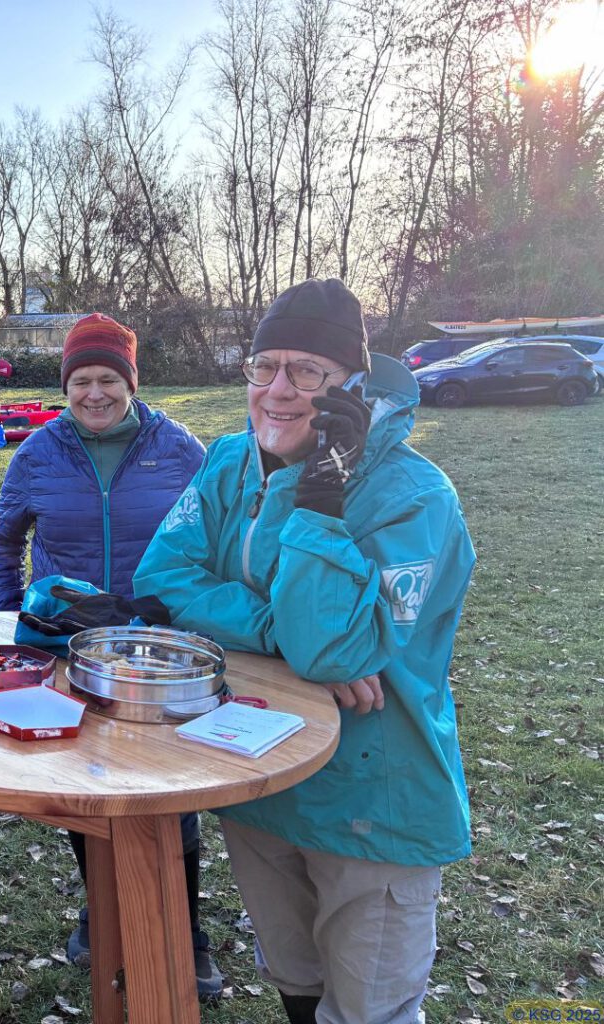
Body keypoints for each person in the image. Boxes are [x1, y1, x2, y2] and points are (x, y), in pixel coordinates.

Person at [134, 278, 475, 1024]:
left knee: (367, 1011)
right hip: (258, 777)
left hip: (372, 800)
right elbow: (162, 574)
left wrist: (320, 494)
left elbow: (330, 647)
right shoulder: (228, 460)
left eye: (306, 372)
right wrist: (272, 632)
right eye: (264, 366)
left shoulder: (412, 495)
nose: (278, 390)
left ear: (350, 384)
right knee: (294, 980)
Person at [0, 312, 221, 998]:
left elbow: (214, 537)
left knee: (170, 796)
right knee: (87, 784)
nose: (93, 393)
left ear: (130, 382)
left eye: (107, 379)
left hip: (158, 649)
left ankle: (186, 933)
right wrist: (14, 614)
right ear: (66, 385)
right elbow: (2, 539)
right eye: (81, 380)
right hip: (68, 646)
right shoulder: (38, 452)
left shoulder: (178, 449)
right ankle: (103, 908)